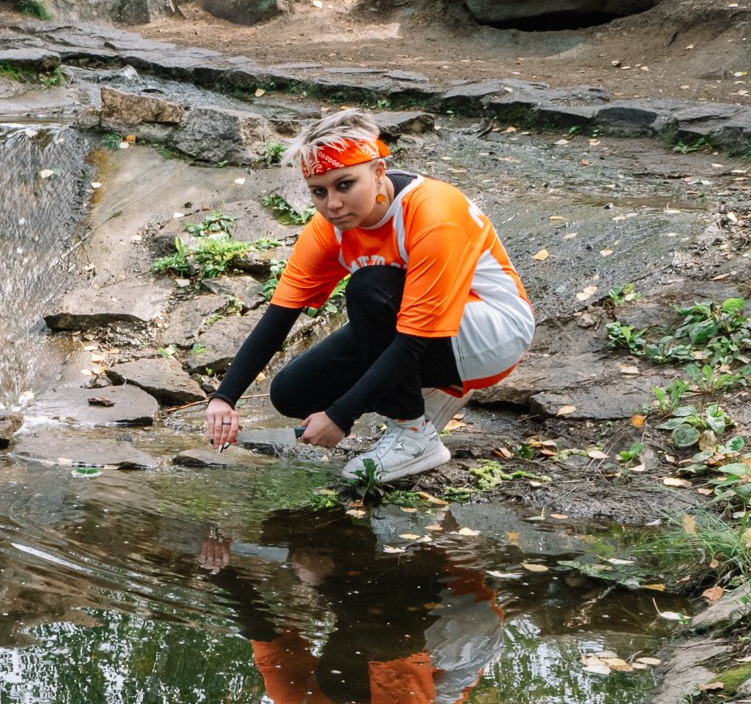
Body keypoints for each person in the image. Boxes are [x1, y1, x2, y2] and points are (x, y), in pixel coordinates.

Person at [202, 110, 535, 484]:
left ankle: (413, 435)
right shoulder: (328, 228)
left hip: (493, 331)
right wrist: (224, 398)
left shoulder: (433, 213)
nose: (332, 204)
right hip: (425, 329)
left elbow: (411, 341)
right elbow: (279, 317)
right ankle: (426, 399)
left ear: (378, 171)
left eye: (345, 184)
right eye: (319, 191)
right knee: (292, 392)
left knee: (369, 286)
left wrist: (340, 416)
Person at [197, 508, 505, 704]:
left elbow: (266, 638)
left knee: (286, 531)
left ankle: (365, 510)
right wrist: (326, 583)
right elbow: (393, 646)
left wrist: (218, 572)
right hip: (462, 630)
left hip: (399, 618)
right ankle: (434, 537)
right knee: (345, 673)